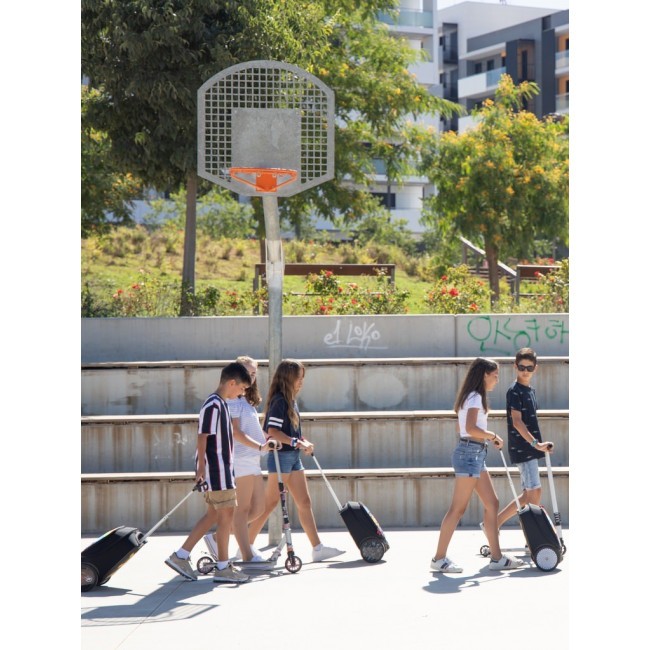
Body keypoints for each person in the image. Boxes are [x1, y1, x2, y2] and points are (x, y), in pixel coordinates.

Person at [430, 357, 524, 573]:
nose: (497, 380)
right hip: (469, 454)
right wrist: (491, 435)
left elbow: (461, 428)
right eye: (495, 375)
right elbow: (470, 428)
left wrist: (483, 440)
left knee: (492, 503)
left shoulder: (472, 397)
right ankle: (438, 558)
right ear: (484, 375)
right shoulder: (475, 398)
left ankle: (497, 557)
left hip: (474, 453)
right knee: (457, 509)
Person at [247, 359, 345, 563]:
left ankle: (317, 548)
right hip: (280, 457)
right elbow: (272, 432)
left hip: (293, 457)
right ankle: (245, 545)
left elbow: (292, 433)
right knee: (270, 503)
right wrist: (295, 442)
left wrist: (303, 442)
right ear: (288, 378)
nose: (301, 382)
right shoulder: (279, 401)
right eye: (298, 378)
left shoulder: (291, 400)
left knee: (304, 502)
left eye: (302, 378)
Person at [165, 361, 254, 584]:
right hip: (217, 471)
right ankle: (223, 567)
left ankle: (181, 555)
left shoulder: (221, 404)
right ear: (232, 383)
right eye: (242, 388)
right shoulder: (213, 405)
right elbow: (202, 436)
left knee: (214, 515)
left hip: (221, 470)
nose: (242, 393)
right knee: (226, 517)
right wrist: (201, 469)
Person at [202, 355, 271, 563]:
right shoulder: (231, 399)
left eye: (254, 373)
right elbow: (235, 432)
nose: (252, 377)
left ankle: (218, 537)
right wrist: (259, 445)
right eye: (248, 373)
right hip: (239, 458)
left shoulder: (245, 399)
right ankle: (246, 554)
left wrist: (265, 440)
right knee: (241, 511)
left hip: (253, 459)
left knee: (258, 508)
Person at [495, 347, 554, 529]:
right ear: (515, 366)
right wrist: (536, 444)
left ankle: (498, 525)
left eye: (529, 368)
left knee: (531, 494)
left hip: (532, 448)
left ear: (535, 368)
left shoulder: (530, 390)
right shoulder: (514, 391)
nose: (525, 371)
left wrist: (537, 445)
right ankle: (496, 525)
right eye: (522, 367)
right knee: (532, 492)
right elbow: (517, 422)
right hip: (524, 448)